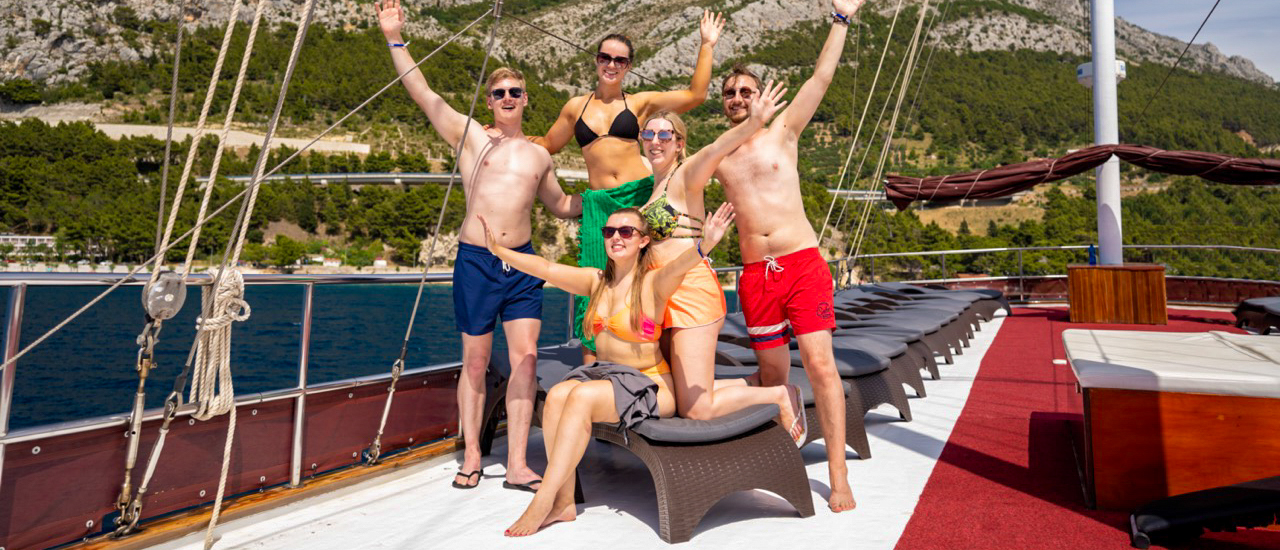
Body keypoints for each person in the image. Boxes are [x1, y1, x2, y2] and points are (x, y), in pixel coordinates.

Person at [479, 204, 800, 537]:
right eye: (609, 231)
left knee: (580, 397)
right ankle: (564, 502)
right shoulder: (596, 281)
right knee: (558, 395)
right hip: (606, 378)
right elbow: (545, 268)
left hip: (650, 385)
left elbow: (682, 265)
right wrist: (499, 250)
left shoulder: (653, 284)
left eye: (626, 231)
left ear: (643, 240)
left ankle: (542, 500)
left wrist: (705, 244)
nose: (616, 237)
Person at [377, 0, 581, 491]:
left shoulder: (539, 156)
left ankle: (517, 464)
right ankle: (471, 455)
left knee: (526, 360)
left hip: (523, 265)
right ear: (489, 101)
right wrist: (394, 37)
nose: (507, 98)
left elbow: (562, 206)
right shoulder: (470, 137)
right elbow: (423, 93)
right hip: (476, 263)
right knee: (474, 360)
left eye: (515, 92)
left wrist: (614, 194)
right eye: (499, 92)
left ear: (527, 99)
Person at [709, 0, 868, 513]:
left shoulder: (784, 132)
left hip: (801, 265)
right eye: (730, 93)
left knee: (820, 364)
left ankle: (838, 475)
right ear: (723, 103)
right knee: (774, 377)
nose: (738, 98)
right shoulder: (718, 156)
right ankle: (780, 453)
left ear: (761, 98)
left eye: (746, 91)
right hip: (755, 275)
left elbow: (821, 78)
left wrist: (840, 19)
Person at [529, 12, 725, 362]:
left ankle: (656, 363)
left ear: (629, 66)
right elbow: (547, 143)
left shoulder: (638, 103)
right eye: (605, 57)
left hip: (638, 200)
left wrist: (707, 45)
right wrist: (503, 134)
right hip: (599, 205)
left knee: (648, 283)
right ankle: (594, 368)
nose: (611, 64)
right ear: (596, 60)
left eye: (620, 60)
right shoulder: (575, 108)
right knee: (596, 286)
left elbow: (695, 95)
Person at [635, 82, 808, 426]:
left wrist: (754, 122)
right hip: (660, 298)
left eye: (665, 135)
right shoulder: (651, 188)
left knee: (696, 409)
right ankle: (759, 383)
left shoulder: (686, 174)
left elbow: (716, 148)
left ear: (679, 144)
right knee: (680, 394)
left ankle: (780, 394)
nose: (656, 141)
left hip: (691, 293)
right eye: (649, 134)